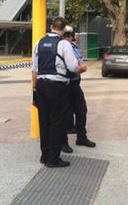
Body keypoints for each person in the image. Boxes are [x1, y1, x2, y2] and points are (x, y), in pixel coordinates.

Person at [32, 17, 87, 168]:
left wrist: (34, 90)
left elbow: (34, 70)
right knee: (57, 122)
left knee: (44, 121)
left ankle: (44, 155)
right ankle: (53, 159)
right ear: (63, 30)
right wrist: (82, 68)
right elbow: (73, 67)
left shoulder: (39, 43)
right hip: (57, 87)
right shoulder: (64, 44)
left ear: (51, 27)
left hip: (41, 86)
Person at [61, 27, 96, 153]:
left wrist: (79, 67)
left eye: (70, 35)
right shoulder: (60, 47)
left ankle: (81, 137)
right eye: (66, 34)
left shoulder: (74, 47)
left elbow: (80, 63)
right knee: (64, 114)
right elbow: (75, 66)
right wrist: (79, 68)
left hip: (75, 83)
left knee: (81, 110)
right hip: (64, 84)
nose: (68, 37)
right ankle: (63, 141)